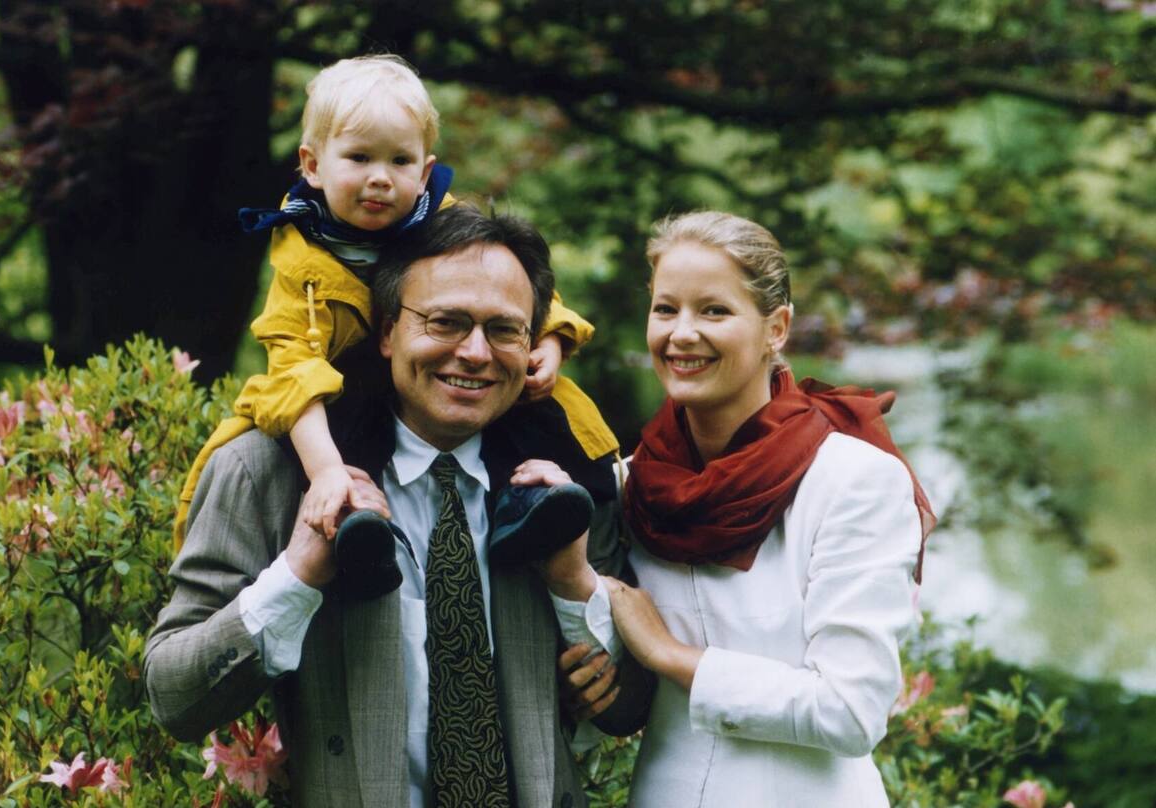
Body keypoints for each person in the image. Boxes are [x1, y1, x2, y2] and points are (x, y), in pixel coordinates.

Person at [145, 206, 638, 808]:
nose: (476, 353)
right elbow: (175, 698)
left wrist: (573, 584)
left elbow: (631, 704)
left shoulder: (571, 476)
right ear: (386, 331)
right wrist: (296, 577)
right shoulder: (266, 471)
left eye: (505, 330)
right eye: (445, 322)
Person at [172, 54, 619, 577]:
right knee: (331, 442)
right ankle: (359, 538)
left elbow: (516, 289)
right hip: (351, 394)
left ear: (425, 169)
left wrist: (549, 339)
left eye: (400, 162)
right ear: (312, 165)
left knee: (543, 407)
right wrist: (326, 472)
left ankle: (526, 512)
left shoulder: (443, 218)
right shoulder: (302, 261)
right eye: (359, 158)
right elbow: (292, 369)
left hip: (441, 388)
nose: (381, 179)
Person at [562, 211, 936, 807]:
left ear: (776, 328)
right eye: (666, 309)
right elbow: (624, 684)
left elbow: (851, 712)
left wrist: (670, 656)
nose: (681, 333)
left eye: (714, 311)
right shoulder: (629, 482)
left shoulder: (852, 481)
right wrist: (596, 680)